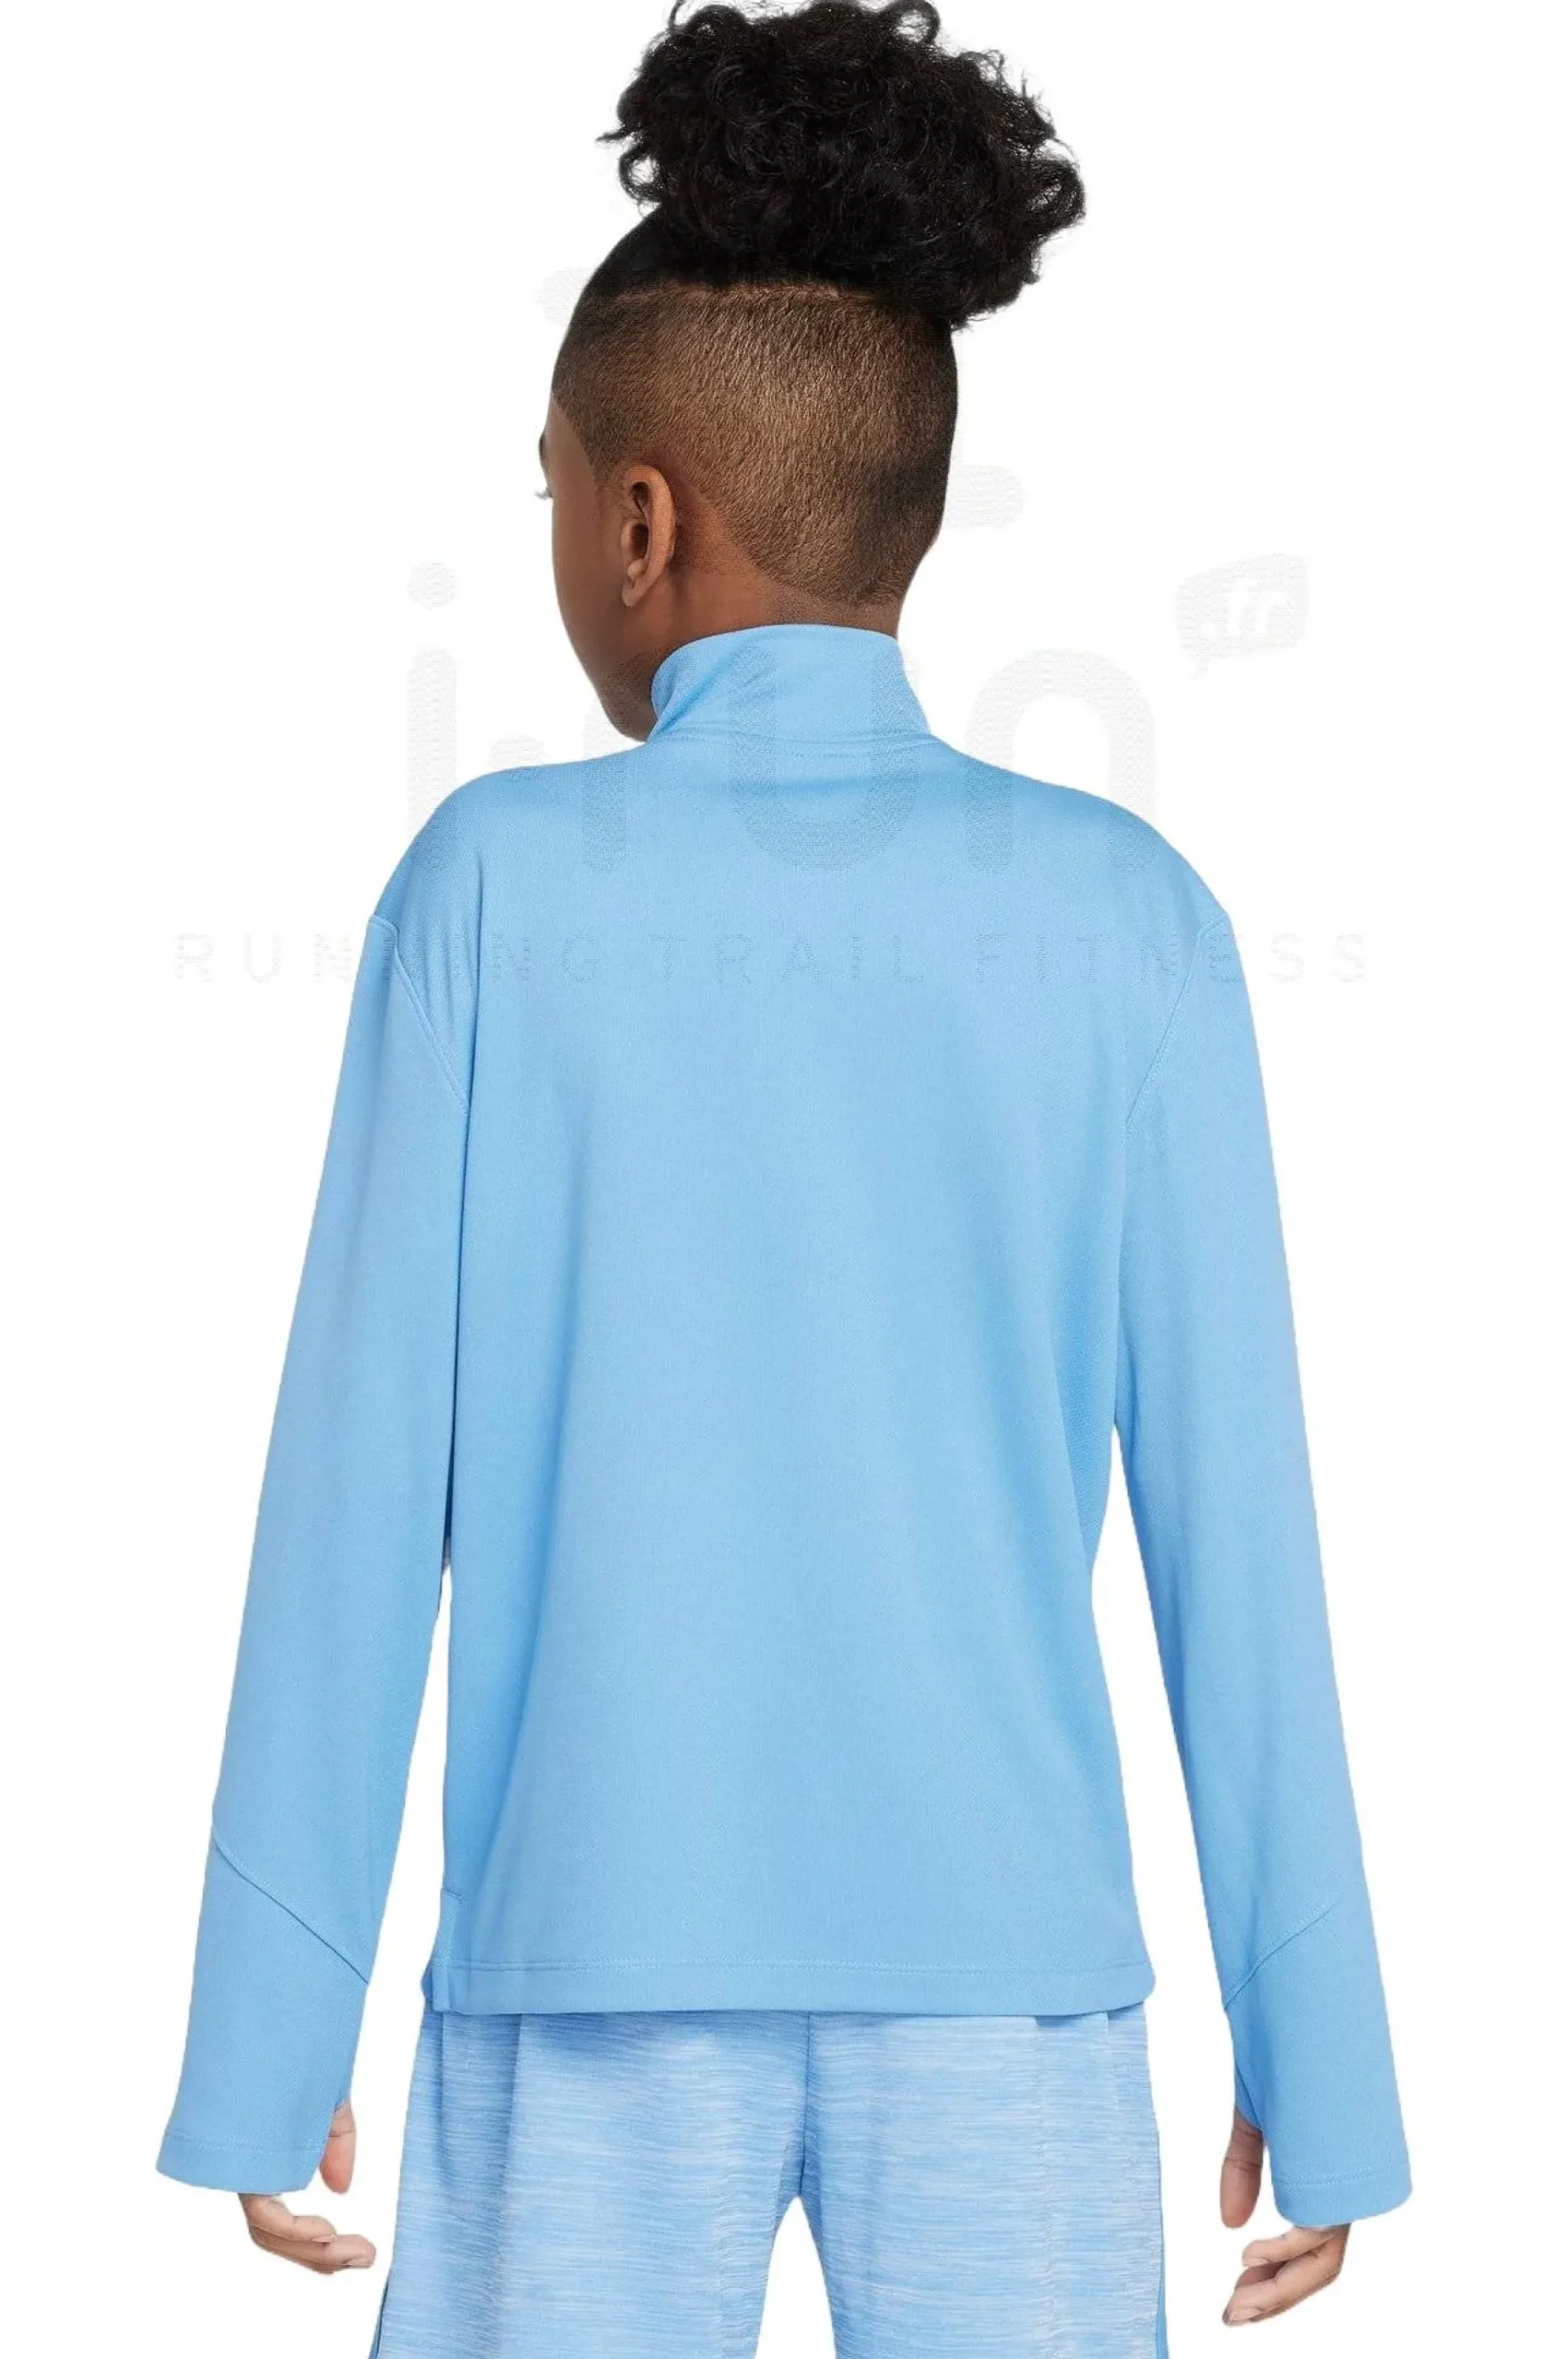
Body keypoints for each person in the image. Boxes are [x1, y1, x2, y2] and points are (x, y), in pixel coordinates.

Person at [156, 4, 1410, 2350]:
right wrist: (1315, 2055)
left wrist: (266, 2023)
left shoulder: (489, 887)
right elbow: (1239, 1529)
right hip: (1008, 1990)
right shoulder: (1125, 915)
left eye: (550, 486)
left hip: (580, 1972)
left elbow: (353, 1491)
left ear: (639, 519)